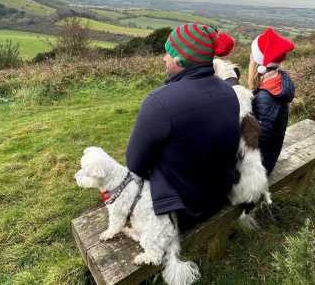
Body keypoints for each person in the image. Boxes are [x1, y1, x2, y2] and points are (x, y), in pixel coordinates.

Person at [126, 23, 240, 229]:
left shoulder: (160, 102)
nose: (163, 58)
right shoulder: (229, 91)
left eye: (168, 53)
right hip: (218, 195)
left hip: (181, 211)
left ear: (180, 60)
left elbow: (135, 164)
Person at [249, 28, 296, 175]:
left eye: (251, 56)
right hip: (266, 160)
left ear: (259, 65)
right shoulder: (276, 83)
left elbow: (258, 143)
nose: (250, 58)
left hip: (257, 170)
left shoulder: (265, 97)